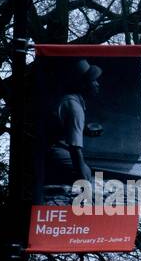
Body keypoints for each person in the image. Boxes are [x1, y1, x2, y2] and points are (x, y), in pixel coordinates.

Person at [40, 58, 102, 205]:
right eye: (93, 81)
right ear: (83, 85)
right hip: (53, 153)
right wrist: (84, 177)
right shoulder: (75, 108)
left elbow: (61, 128)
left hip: (50, 149)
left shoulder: (67, 101)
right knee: (87, 175)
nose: (97, 84)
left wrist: (84, 130)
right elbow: (75, 149)